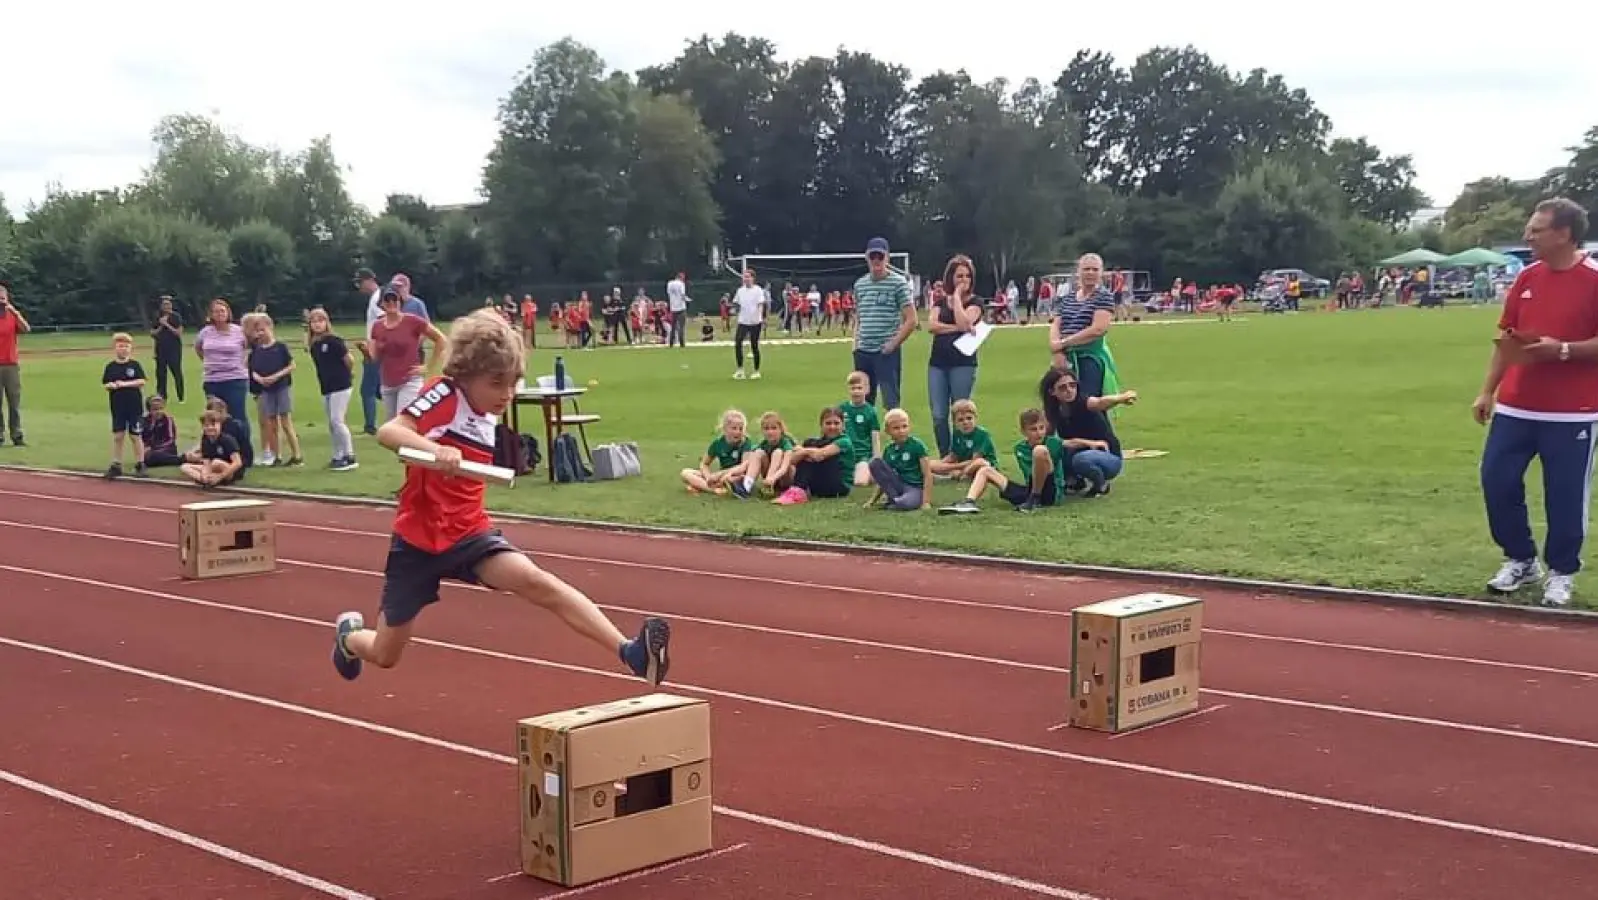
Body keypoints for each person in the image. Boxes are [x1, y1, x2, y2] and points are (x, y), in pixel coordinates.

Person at [331, 309, 671, 684]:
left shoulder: (490, 407)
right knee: (385, 653)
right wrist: (432, 450)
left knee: (538, 582)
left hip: (468, 533)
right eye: (497, 383)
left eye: (513, 383)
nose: (507, 395)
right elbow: (390, 432)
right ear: (466, 374)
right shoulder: (443, 394)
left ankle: (631, 653)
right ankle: (349, 638)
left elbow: (490, 335)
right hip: (417, 541)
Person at [1473, 197, 1598, 607]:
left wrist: (1562, 349)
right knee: (1497, 480)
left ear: (1564, 234)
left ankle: (1561, 571)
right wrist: (1487, 390)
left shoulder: (1594, 278)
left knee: (1564, 495)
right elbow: (1507, 339)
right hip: (1516, 405)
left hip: (1572, 411)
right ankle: (1521, 559)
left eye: (1536, 230)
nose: (1528, 236)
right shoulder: (1526, 277)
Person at [851, 238, 917, 409]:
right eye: (872, 256)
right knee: (862, 404)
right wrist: (855, 344)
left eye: (880, 256)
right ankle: (865, 437)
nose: (876, 260)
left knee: (891, 402)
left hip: (886, 353)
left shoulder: (898, 283)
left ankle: (894, 435)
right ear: (867, 258)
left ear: (887, 258)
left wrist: (893, 344)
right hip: (863, 351)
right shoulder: (860, 284)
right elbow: (859, 316)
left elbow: (911, 319)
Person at [101, 332, 148, 479]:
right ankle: (116, 463)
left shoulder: (134, 365)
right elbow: (105, 383)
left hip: (134, 405)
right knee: (118, 435)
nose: (123, 349)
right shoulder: (110, 367)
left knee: (135, 435)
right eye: (120, 346)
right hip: (117, 405)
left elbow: (142, 381)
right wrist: (111, 385)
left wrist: (124, 384)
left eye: (126, 346)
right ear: (115, 348)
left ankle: (140, 463)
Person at [0, 281, 30, 446]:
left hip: (11, 364)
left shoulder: (12, 315)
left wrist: (15, 312)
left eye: (3, 298)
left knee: (14, 401)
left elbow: (26, 329)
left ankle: (17, 435)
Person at [731, 269, 768, 379]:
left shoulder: (758, 290)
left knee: (754, 345)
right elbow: (736, 304)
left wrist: (761, 318)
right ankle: (740, 369)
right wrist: (733, 311)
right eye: (744, 277)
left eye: (748, 277)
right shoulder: (740, 291)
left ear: (752, 278)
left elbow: (761, 304)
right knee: (738, 343)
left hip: (755, 321)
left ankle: (756, 371)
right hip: (743, 321)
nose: (745, 279)